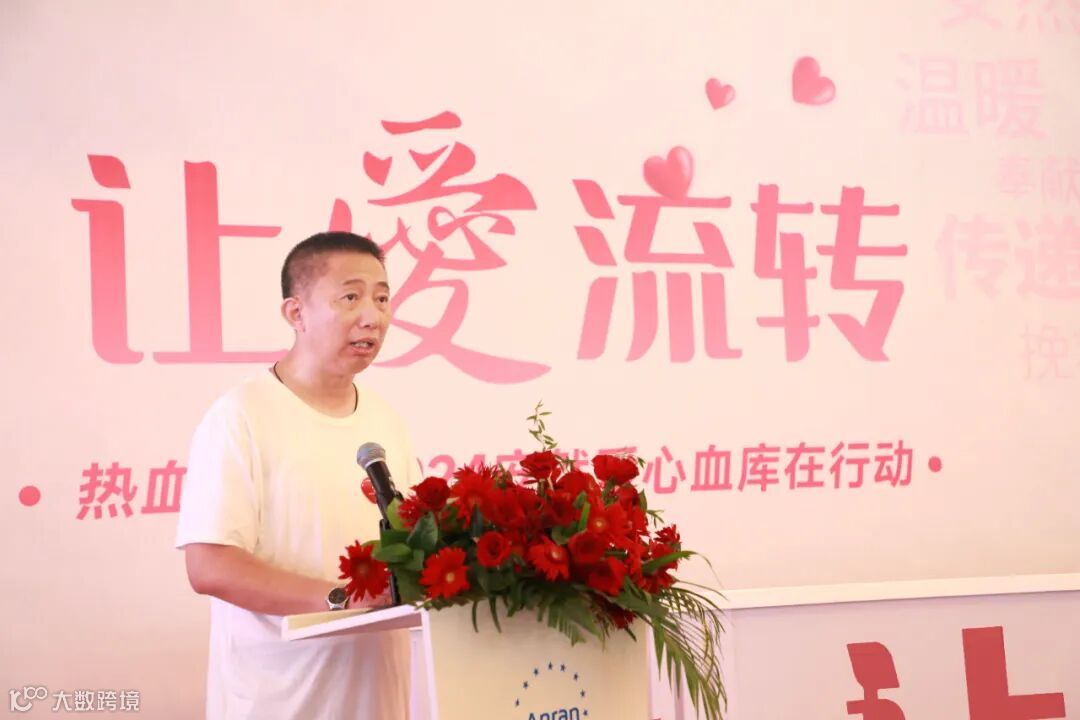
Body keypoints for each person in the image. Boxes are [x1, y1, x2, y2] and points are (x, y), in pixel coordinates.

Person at [175, 231, 421, 719]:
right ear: (296, 313)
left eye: (381, 298)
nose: (372, 316)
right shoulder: (241, 415)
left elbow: (410, 545)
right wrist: (342, 598)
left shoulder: (386, 419)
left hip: (376, 699)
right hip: (279, 700)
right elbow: (209, 566)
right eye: (350, 297)